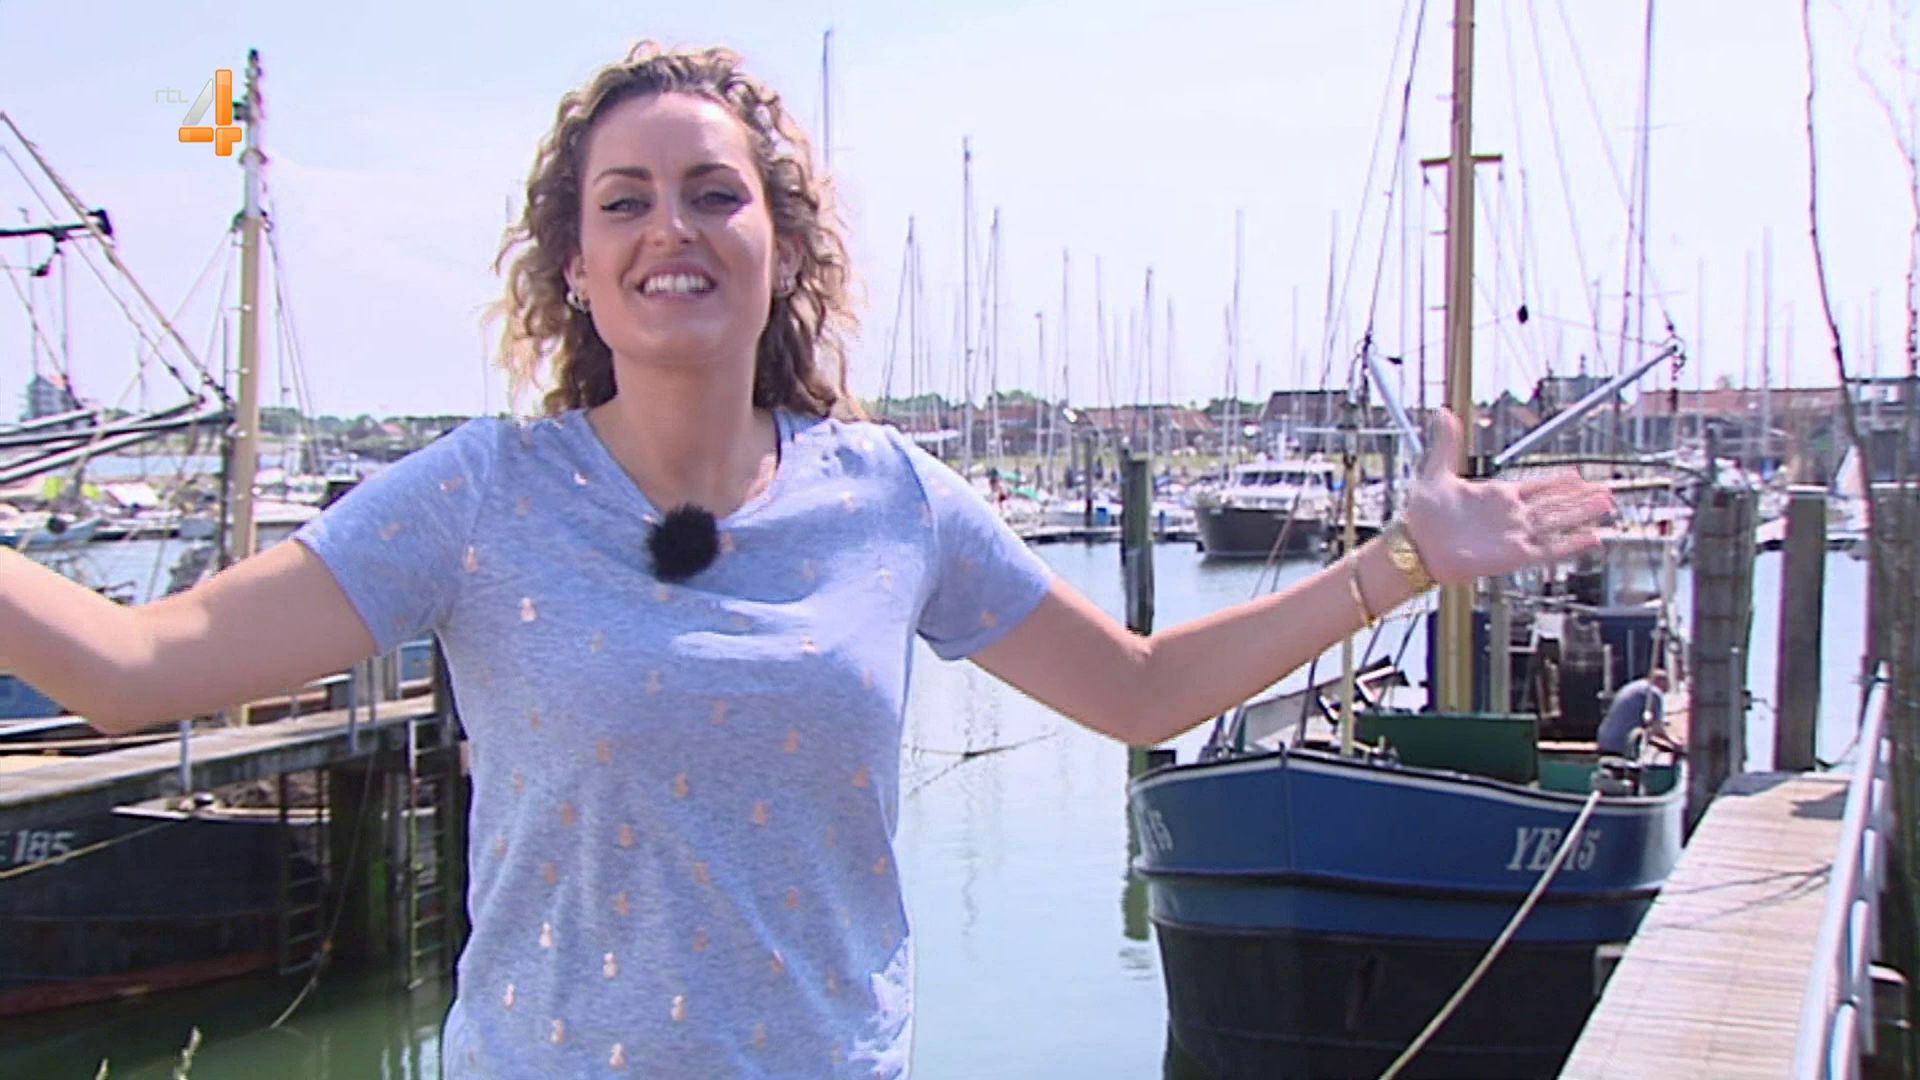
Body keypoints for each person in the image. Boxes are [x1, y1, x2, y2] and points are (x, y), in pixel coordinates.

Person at [0, 43, 1613, 1078]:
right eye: (625, 201)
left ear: (779, 248)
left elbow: (1136, 694)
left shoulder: (893, 499)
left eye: (716, 194)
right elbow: (134, 672)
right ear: (576, 267)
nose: (672, 227)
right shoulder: (478, 498)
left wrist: (1400, 562)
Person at [1598, 669, 1679, 757]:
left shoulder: (1634, 686)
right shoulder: (1654, 692)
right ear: (1662, 681)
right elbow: (1657, 729)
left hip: (1604, 740)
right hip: (1620, 744)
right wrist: (1674, 742)